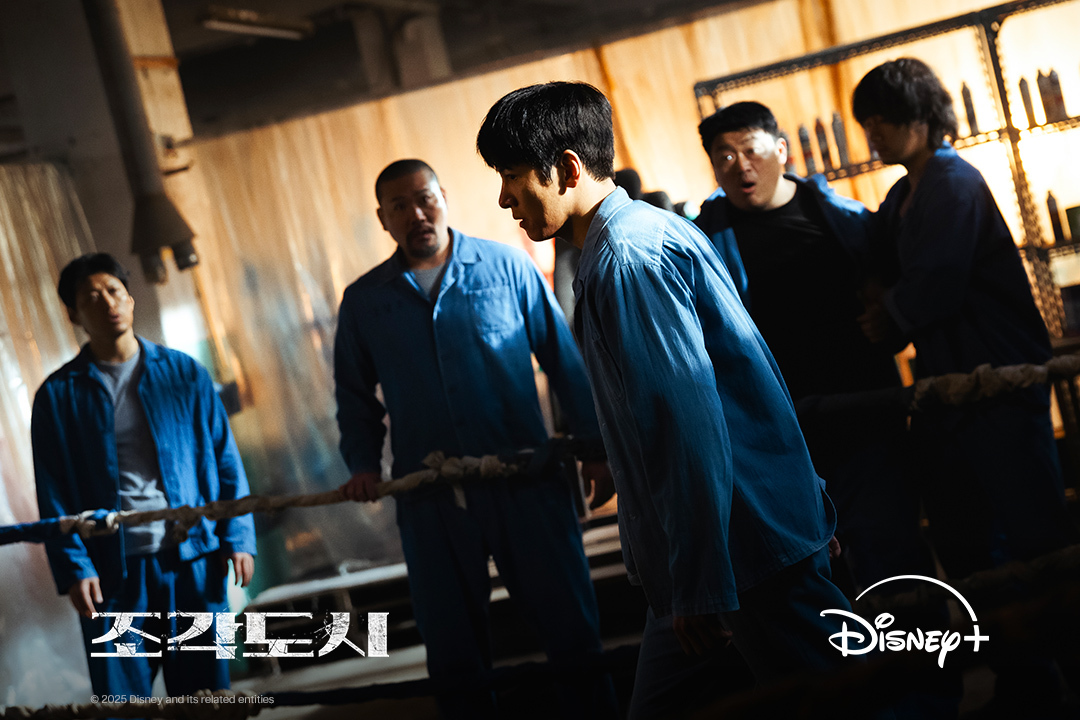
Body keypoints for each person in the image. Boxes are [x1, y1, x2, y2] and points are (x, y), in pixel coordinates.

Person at [477, 82, 857, 718]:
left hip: (738, 549)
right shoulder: (639, 238)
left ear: (567, 168)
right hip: (717, 546)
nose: (504, 196)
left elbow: (686, 426)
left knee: (847, 700)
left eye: (513, 174)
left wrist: (702, 583)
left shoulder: (628, 260)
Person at [334, 159, 617, 719]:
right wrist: (363, 464)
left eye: (424, 198)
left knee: (572, 633)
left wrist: (594, 448)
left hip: (525, 481)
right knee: (454, 655)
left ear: (443, 196)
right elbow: (354, 397)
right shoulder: (365, 301)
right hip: (430, 495)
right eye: (400, 206)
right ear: (383, 218)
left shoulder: (505, 267)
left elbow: (563, 362)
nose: (417, 214)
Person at [853, 57, 1078, 711]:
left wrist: (887, 314)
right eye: (868, 122)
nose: (874, 133)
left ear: (921, 118)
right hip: (952, 391)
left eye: (884, 119)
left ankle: (1063, 670)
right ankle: (1026, 676)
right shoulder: (904, 195)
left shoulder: (952, 182)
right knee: (969, 541)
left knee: (1034, 536)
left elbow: (937, 282)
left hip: (998, 384)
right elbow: (878, 256)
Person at [693, 101, 934, 595]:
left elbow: (898, 292)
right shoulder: (703, 243)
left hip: (867, 416)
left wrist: (886, 317)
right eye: (725, 156)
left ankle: (919, 646)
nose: (741, 166)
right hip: (783, 435)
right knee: (816, 576)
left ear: (781, 150)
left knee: (893, 555)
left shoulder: (844, 218)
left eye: (751, 150)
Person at [32, 253, 256, 698]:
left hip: (191, 561)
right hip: (112, 575)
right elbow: (52, 492)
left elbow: (225, 459)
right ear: (74, 315)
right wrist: (75, 567)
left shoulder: (184, 373)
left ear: (131, 299)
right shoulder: (58, 395)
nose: (107, 303)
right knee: (123, 701)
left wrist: (239, 536)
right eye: (91, 298)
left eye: (113, 291)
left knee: (204, 697)